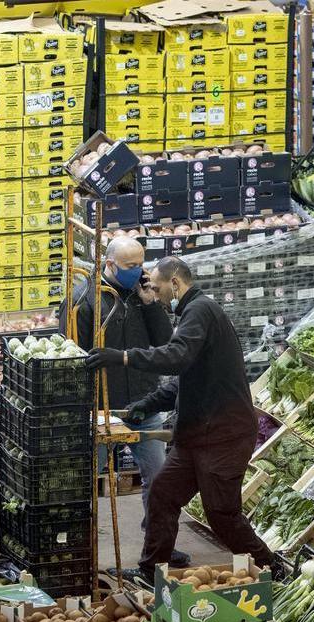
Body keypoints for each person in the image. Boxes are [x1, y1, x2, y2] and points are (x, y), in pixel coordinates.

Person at [85, 256, 272, 582]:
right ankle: (150, 571)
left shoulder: (201, 311)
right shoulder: (192, 313)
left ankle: (272, 567)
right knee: (163, 494)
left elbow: (175, 358)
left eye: (156, 288)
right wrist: (148, 403)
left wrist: (124, 357)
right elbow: (184, 375)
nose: (153, 294)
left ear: (175, 283)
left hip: (223, 435)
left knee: (222, 515)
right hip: (197, 435)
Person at [58, 237, 190, 567]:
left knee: (158, 479)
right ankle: (77, 547)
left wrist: (150, 304)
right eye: (131, 266)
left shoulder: (145, 294)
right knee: (87, 480)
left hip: (143, 404)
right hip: (100, 407)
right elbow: (70, 356)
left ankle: (160, 544)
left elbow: (164, 343)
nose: (139, 272)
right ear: (110, 264)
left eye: (141, 264)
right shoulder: (83, 301)